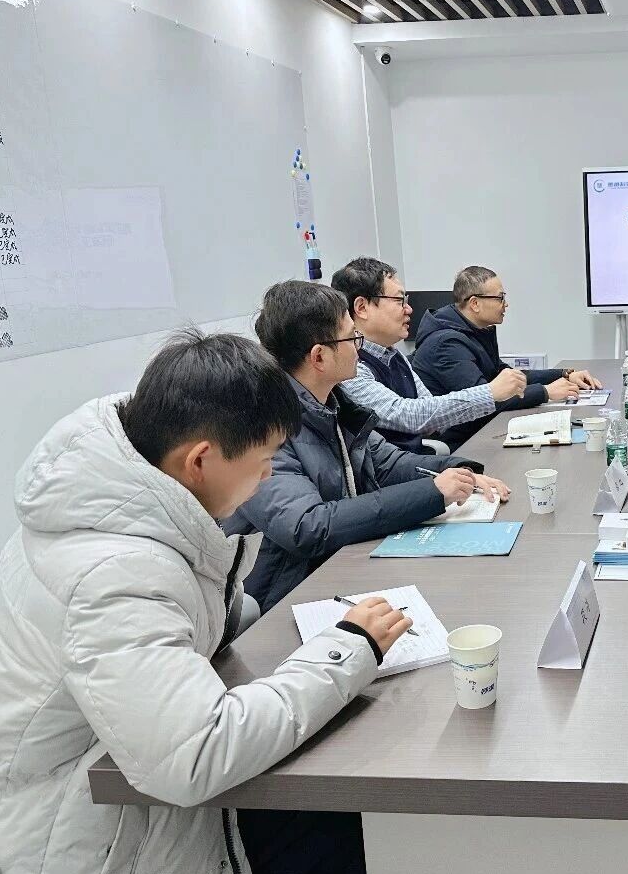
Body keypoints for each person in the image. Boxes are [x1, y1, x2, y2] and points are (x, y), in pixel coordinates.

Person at [0, 329, 409, 874]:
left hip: (117, 792)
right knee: (334, 839)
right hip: (88, 847)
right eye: (264, 461)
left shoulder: (114, 496)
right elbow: (195, 754)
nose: (268, 477)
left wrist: (239, 615)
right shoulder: (115, 574)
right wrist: (349, 648)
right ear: (200, 460)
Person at [223, 280, 509, 615]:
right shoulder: (264, 427)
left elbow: (388, 463)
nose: (359, 348)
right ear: (319, 356)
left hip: (347, 566)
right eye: (351, 338)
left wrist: (457, 471)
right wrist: (433, 493)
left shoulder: (333, 404)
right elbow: (308, 527)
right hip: (289, 597)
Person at [331, 257, 528, 451]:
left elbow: (427, 412)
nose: (409, 309)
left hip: (412, 461)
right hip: (392, 469)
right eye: (399, 300)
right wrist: (489, 393)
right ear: (362, 308)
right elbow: (410, 416)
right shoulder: (350, 369)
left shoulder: (394, 356)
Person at [412, 266, 604, 447]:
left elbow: (507, 377)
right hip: (463, 442)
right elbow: (485, 400)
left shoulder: (475, 331)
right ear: (475, 303)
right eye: (500, 298)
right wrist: (545, 392)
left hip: (484, 430)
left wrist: (564, 374)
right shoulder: (446, 344)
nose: (506, 304)